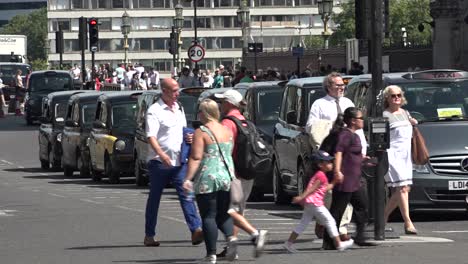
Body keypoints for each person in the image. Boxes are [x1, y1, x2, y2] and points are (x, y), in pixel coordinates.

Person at [306, 72, 367, 242]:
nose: (341, 88)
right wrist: (330, 127)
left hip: (350, 158)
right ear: (328, 86)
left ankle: (341, 228)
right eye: (337, 85)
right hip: (330, 157)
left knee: (348, 196)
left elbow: (357, 128)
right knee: (332, 195)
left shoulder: (348, 103)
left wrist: (363, 149)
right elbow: (311, 126)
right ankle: (325, 224)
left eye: (343, 85)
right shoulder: (319, 104)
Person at [144, 78, 203, 247]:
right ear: (164, 91)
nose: (178, 93)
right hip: (159, 163)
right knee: (154, 199)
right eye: (174, 90)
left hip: (179, 161)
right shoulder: (154, 111)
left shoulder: (179, 108)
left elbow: (182, 131)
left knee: (187, 195)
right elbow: (151, 136)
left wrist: (190, 137)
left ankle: (196, 230)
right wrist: (162, 155)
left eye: (178, 90)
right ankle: (149, 235)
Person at [214, 90, 268, 259]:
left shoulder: (228, 123)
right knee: (238, 211)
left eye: (222, 102)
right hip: (248, 172)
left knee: (226, 211)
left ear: (229, 103)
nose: (220, 105)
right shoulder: (246, 122)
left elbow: (225, 149)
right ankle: (232, 248)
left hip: (234, 173)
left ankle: (255, 234)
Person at [183, 99, 238, 264]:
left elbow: (196, 157)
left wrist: (188, 178)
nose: (198, 114)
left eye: (200, 111)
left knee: (208, 216)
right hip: (227, 176)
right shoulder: (227, 130)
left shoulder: (201, 131)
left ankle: (211, 255)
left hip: (208, 177)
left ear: (205, 113)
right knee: (223, 216)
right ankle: (231, 239)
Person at [322, 107, 375, 249]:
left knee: (362, 207)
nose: (363, 121)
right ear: (353, 121)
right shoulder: (345, 135)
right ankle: (328, 241)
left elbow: (351, 155)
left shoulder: (355, 135)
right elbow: (339, 153)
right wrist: (337, 171)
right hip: (345, 180)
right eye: (360, 118)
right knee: (337, 211)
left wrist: (363, 160)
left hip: (354, 180)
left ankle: (360, 237)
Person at [283, 150, 354, 253]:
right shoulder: (320, 175)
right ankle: (339, 244)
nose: (331, 164)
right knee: (330, 221)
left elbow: (325, 189)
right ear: (320, 164)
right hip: (315, 203)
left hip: (310, 203)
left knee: (303, 224)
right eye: (328, 162)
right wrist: (301, 197)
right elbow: (311, 189)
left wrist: (334, 181)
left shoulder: (320, 175)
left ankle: (288, 243)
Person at [382, 85, 418, 235]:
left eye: (398, 95)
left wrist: (413, 123)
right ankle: (408, 222)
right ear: (387, 98)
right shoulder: (384, 115)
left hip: (405, 155)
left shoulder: (406, 113)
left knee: (403, 189)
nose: (396, 98)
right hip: (392, 155)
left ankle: (382, 218)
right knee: (402, 188)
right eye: (393, 96)